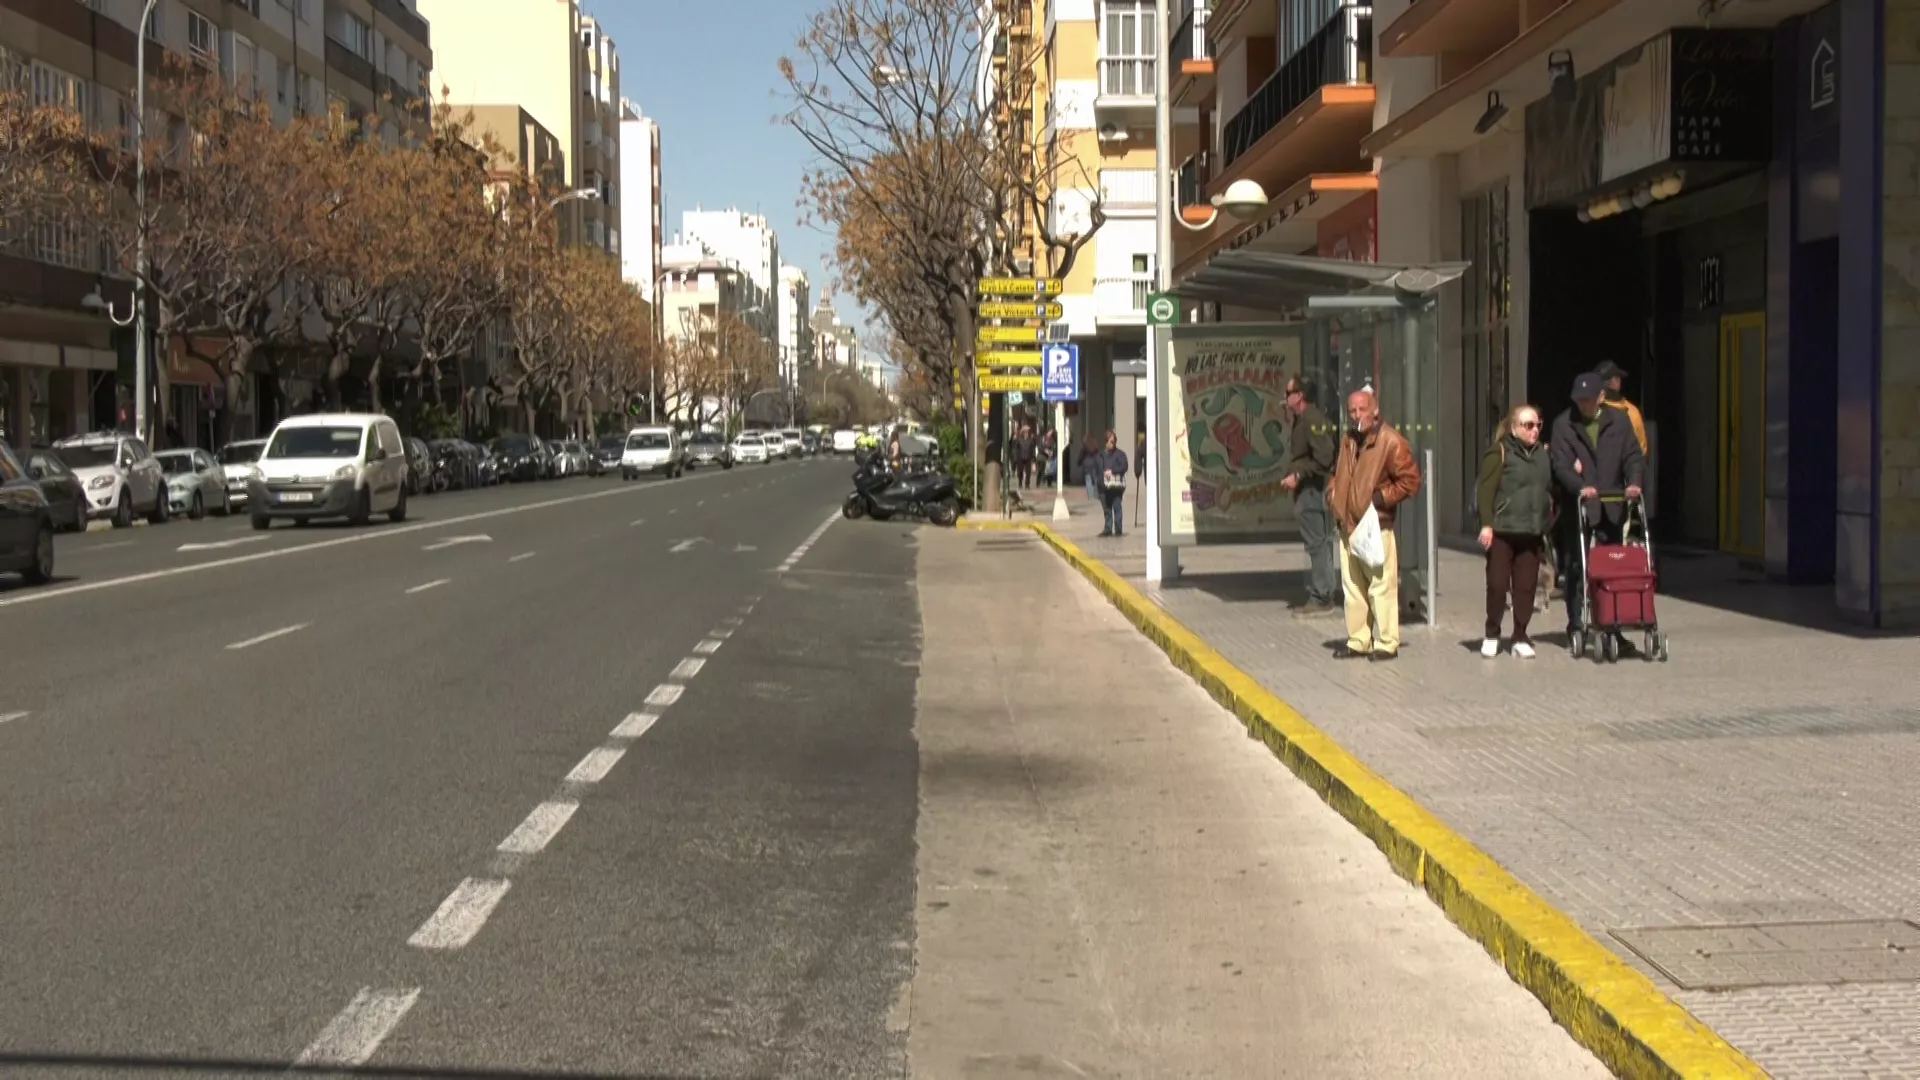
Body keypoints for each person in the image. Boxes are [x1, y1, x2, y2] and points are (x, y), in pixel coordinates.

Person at [1549, 372, 1646, 648]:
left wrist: (1634, 482)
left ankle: (1611, 625)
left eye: (1589, 400)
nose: (1584, 405)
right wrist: (1579, 486)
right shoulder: (1564, 424)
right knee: (1577, 565)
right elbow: (1560, 465)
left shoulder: (1619, 421)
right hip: (1579, 505)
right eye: (1579, 400)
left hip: (1611, 503)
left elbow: (1633, 456)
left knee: (1612, 566)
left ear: (1601, 397)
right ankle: (1576, 624)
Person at [1328, 390, 1422, 662]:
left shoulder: (1391, 441)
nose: (1356, 415)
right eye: (1352, 410)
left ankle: (1387, 642)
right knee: (1353, 588)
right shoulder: (1348, 440)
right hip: (1347, 524)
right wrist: (1332, 494)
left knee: (1381, 586)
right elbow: (1338, 473)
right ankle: (1359, 640)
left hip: (1375, 525)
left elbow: (1411, 481)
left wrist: (1379, 499)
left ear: (1375, 411)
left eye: (1362, 409)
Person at [1475, 405, 1553, 659]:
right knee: (1497, 585)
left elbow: (1549, 488)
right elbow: (1485, 491)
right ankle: (1492, 633)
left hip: (1531, 532)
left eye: (1538, 425)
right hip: (1502, 532)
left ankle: (1520, 636)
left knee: (1526, 588)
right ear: (1513, 428)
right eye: (1528, 425)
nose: (1534, 430)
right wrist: (1486, 524)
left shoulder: (1542, 455)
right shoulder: (1499, 452)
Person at [1277, 375, 1339, 618]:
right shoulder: (1302, 419)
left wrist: (1299, 475)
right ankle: (1323, 593)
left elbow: (1325, 457)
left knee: (1317, 544)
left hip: (1312, 490)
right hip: (1307, 490)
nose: (1285, 398)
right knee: (1317, 543)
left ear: (1299, 395)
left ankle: (1322, 597)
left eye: (1288, 393)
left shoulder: (1312, 419)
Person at [1592, 360, 1648, 457]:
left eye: (1617, 377)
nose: (1615, 380)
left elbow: (1641, 450)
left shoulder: (1631, 411)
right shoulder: (1591, 408)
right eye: (1608, 378)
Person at [1094, 429, 1129, 537]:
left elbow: (1124, 467)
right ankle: (1108, 528)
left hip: (1115, 487)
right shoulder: (1100, 455)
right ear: (1105, 442)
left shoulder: (1120, 454)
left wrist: (1112, 471)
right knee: (1107, 509)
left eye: (1113, 442)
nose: (1111, 444)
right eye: (1110, 441)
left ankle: (1118, 530)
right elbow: (1097, 470)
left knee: (1117, 507)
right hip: (1103, 487)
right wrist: (1097, 482)